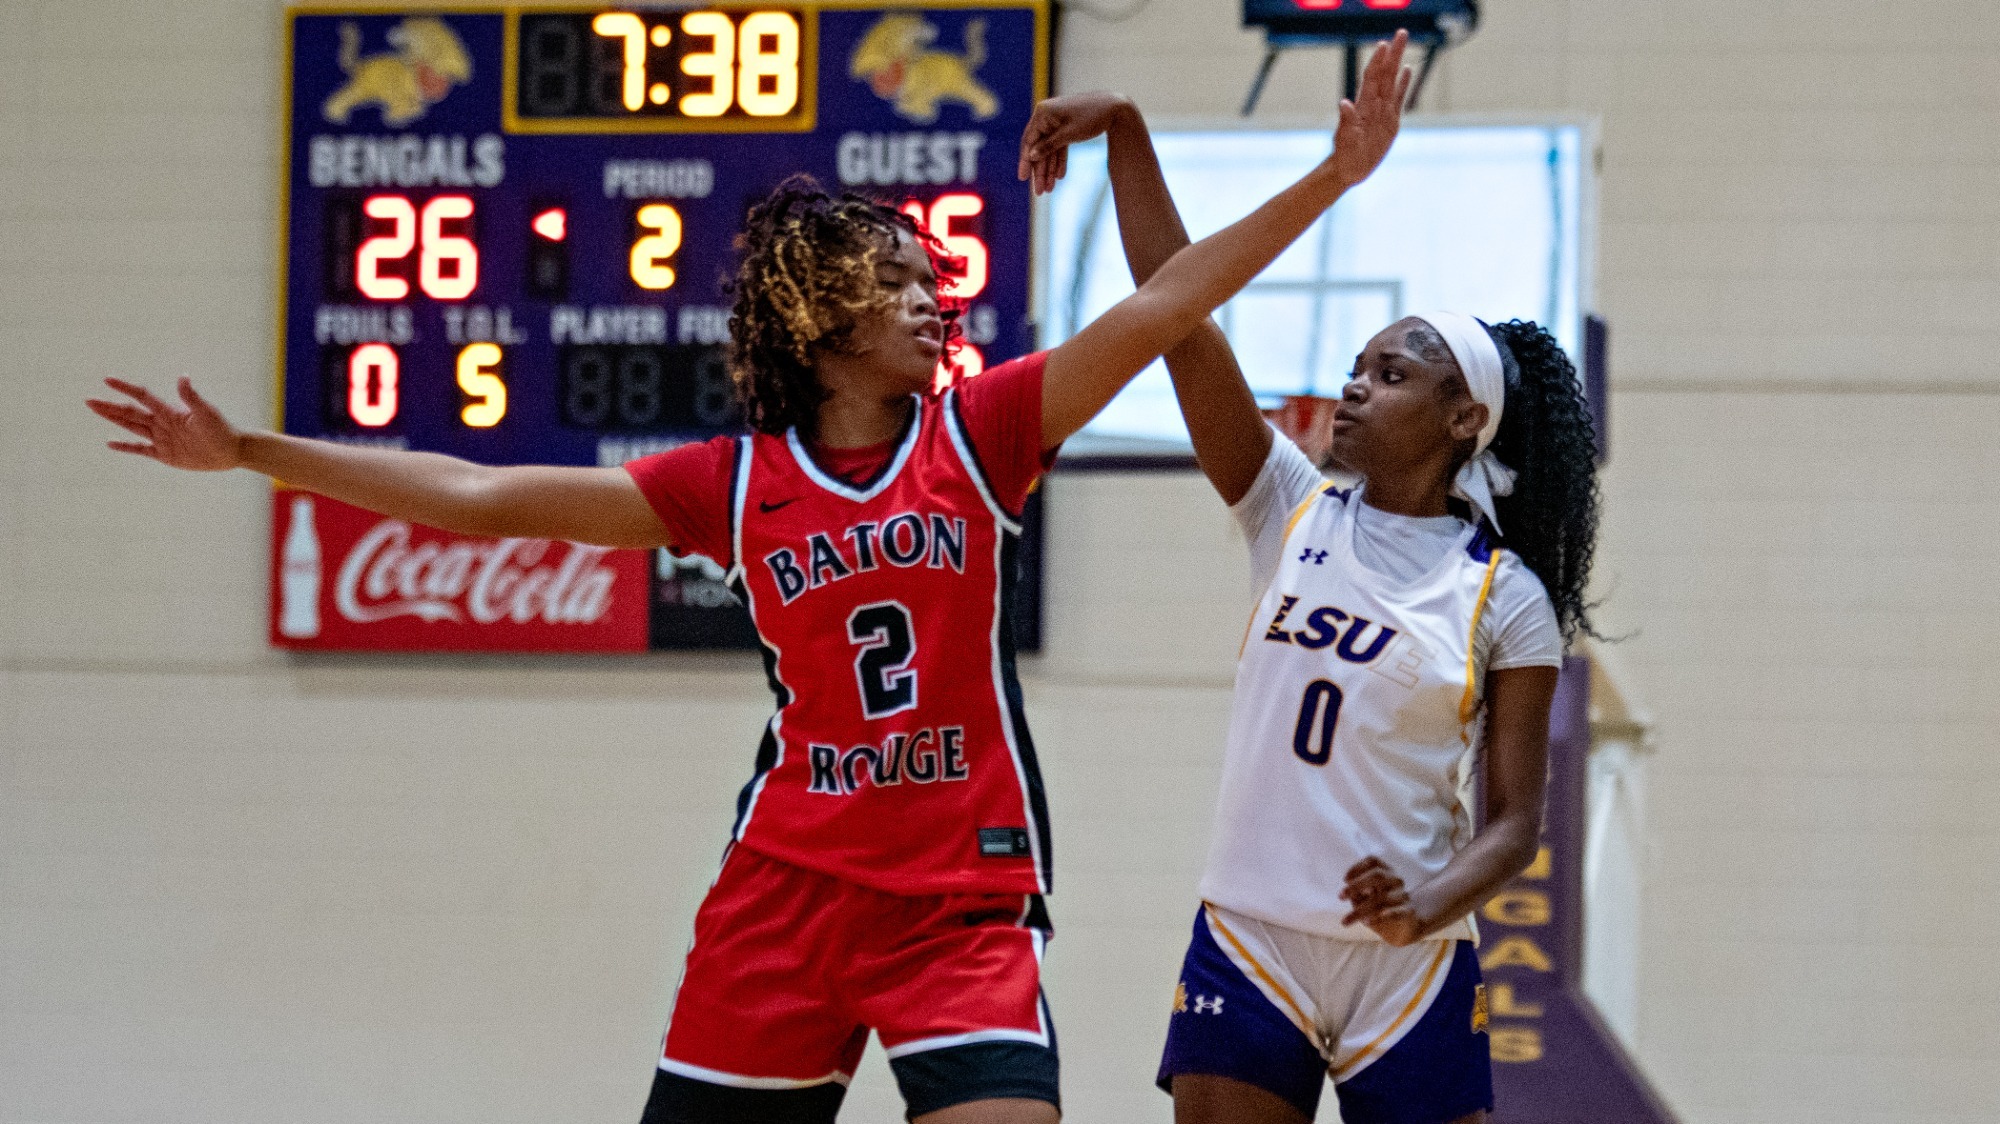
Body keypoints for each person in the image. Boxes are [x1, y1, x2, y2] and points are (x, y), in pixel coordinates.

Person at [86, 34, 1417, 1124]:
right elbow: (482, 494)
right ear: (822, 323)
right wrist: (250, 450)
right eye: (898, 284)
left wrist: (1336, 175)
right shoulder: (730, 485)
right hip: (786, 895)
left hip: (959, 901)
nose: (933, 300)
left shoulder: (980, 432)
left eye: (931, 278)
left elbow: (1165, 304)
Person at [1019, 85, 1600, 1124]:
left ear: (1461, 417)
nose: (1355, 386)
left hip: (1408, 956)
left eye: (1391, 373)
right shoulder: (1288, 506)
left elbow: (1514, 824)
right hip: (1251, 937)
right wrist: (1128, 136)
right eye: (1355, 368)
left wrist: (1423, 902)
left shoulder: (1502, 593)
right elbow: (1176, 314)